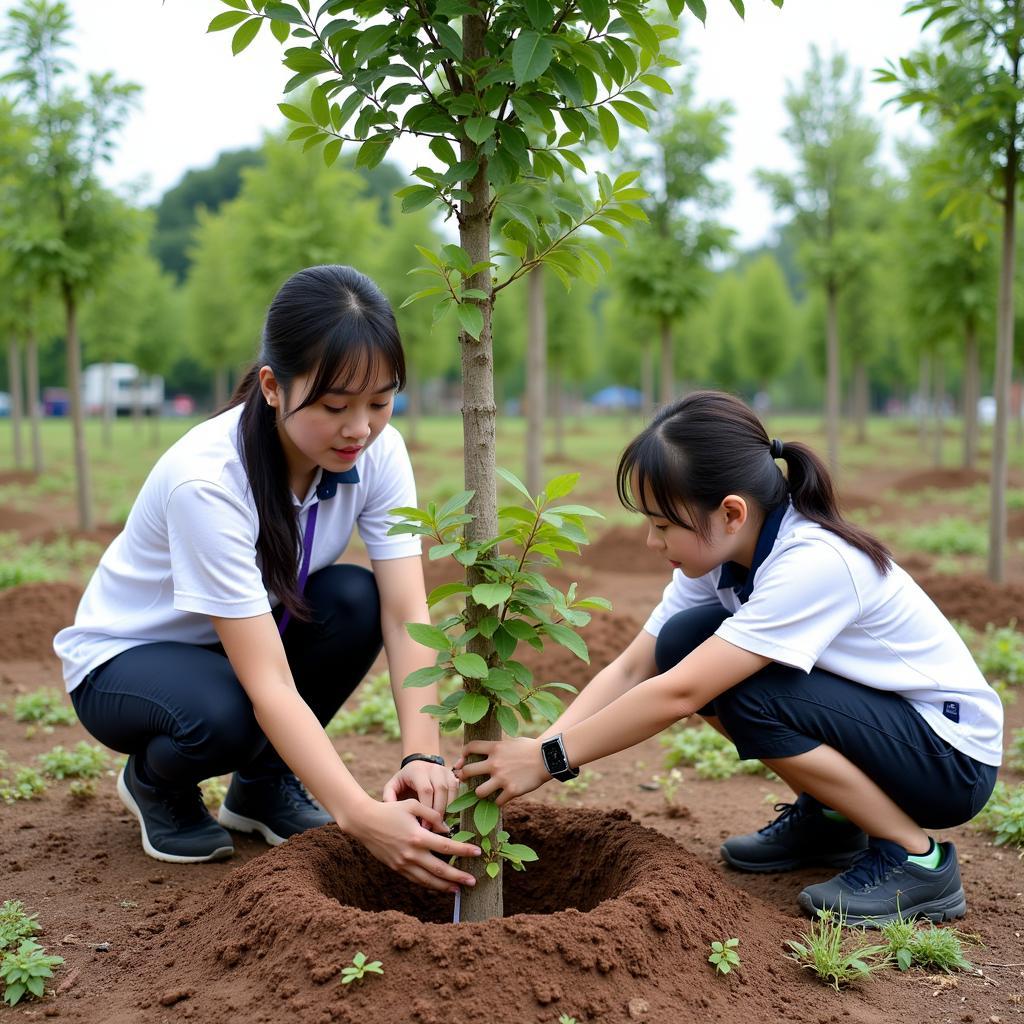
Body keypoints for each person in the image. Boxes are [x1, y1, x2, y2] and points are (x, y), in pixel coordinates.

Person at [456, 391, 1002, 925]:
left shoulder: (813, 561)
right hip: (891, 730)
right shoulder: (721, 560)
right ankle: (834, 820)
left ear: (732, 513)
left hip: (949, 758)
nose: (651, 540)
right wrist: (543, 749)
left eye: (663, 524)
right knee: (683, 639)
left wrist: (550, 760)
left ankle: (916, 858)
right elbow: (634, 667)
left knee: (738, 685)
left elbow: (681, 692)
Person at [54, 265, 480, 893]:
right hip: (126, 661)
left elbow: (403, 611)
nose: (359, 428)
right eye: (335, 405)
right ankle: (155, 782)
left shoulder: (376, 452)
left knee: (356, 600)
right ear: (272, 387)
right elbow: (269, 681)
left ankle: (260, 789)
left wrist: (423, 752)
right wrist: (359, 815)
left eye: (381, 402)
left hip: (249, 643)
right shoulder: (209, 481)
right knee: (228, 712)